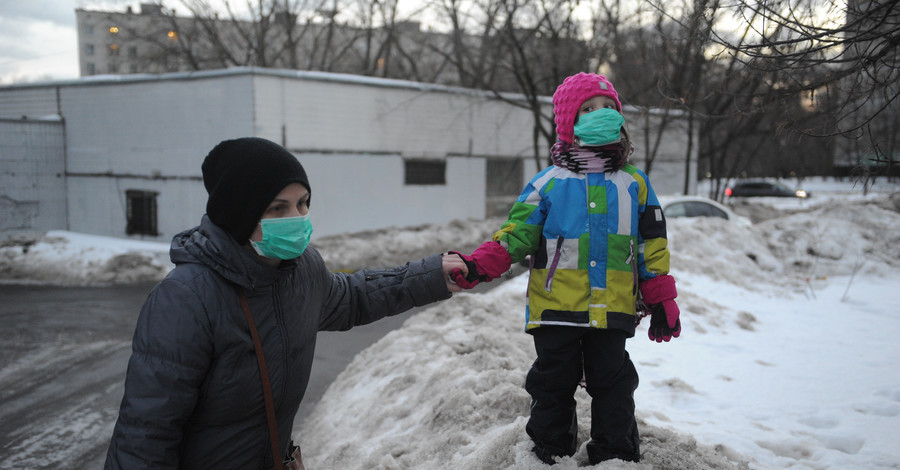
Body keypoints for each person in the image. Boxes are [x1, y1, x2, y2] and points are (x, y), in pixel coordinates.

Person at [104, 137, 468, 469]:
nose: (297, 219)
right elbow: (145, 435)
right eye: (278, 209)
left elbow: (354, 297)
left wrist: (432, 275)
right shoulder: (186, 298)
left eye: (303, 203)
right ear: (239, 215)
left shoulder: (302, 270)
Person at [450, 72, 681, 465]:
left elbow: (651, 246)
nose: (601, 115)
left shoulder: (635, 185)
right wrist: (477, 265)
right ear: (569, 124)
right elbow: (515, 236)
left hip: (612, 309)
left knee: (614, 383)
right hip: (555, 308)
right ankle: (549, 452)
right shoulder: (548, 184)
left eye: (608, 108)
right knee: (552, 382)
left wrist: (660, 296)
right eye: (588, 109)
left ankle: (616, 455)